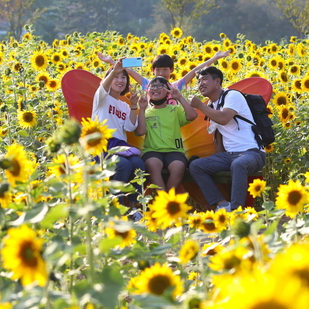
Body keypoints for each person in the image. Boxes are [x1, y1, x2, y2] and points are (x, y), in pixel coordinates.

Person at [189, 66, 265, 211]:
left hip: (252, 152)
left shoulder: (232, 96)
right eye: (198, 81)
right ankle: (223, 205)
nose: (200, 84)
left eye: (204, 79)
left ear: (217, 81)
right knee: (196, 166)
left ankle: (236, 210)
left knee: (239, 164)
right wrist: (216, 160)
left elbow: (224, 119)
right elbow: (218, 136)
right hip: (229, 155)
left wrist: (199, 105)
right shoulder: (212, 105)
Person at [92, 58, 145, 203]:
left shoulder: (124, 105)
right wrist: (114, 69)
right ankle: (116, 206)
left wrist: (134, 106)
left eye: (123, 78)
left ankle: (135, 207)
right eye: (116, 77)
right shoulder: (101, 99)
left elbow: (130, 127)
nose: (120, 80)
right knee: (123, 165)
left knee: (139, 165)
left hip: (120, 147)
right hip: (101, 148)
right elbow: (103, 87)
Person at [135, 76, 197, 193]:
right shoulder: (146, 111)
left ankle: (166, 200)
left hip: (174, 151)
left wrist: (179, 97)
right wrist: (142, 110)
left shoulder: (175, 109)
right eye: (153, 86)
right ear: (148, 91)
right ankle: (164, 200)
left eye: (160, 86)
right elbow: (140, 132)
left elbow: (192, 115)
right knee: (152, 165)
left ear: (168, 90)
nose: (156, 88)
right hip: (152, 151)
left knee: (178, 166)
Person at [97, 50, 231, 101]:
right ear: (153, 71)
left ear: (172, 70)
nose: (161, 73)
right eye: (158, 70)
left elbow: (195, 70)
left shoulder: (176, 86)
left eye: (165, 69)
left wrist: (214, 58)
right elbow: (129, 71)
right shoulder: (148, 85)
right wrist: (111, 61)